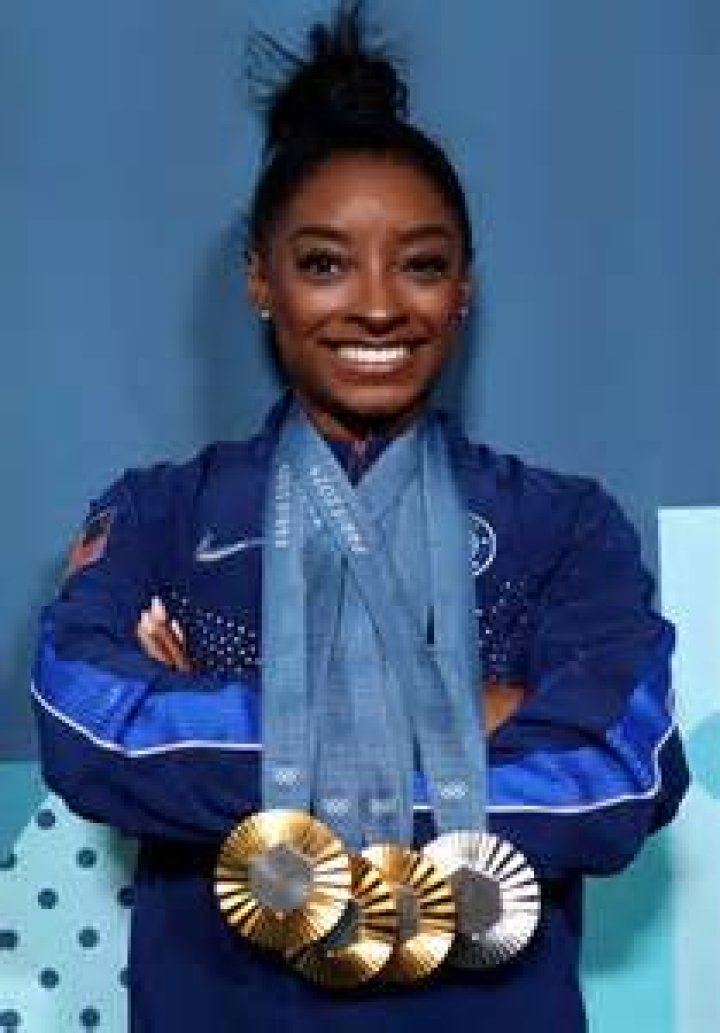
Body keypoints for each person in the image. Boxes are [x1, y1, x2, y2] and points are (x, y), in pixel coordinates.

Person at [32, 3, 689, 1030]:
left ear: (463, 289)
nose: (378, 305)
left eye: (421, 264)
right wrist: (479, 713)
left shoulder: (562, 526)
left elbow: (615, 776)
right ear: (262, 280)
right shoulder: (160, 511)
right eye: (325, 263)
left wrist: (212, 706)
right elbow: (89, 727)